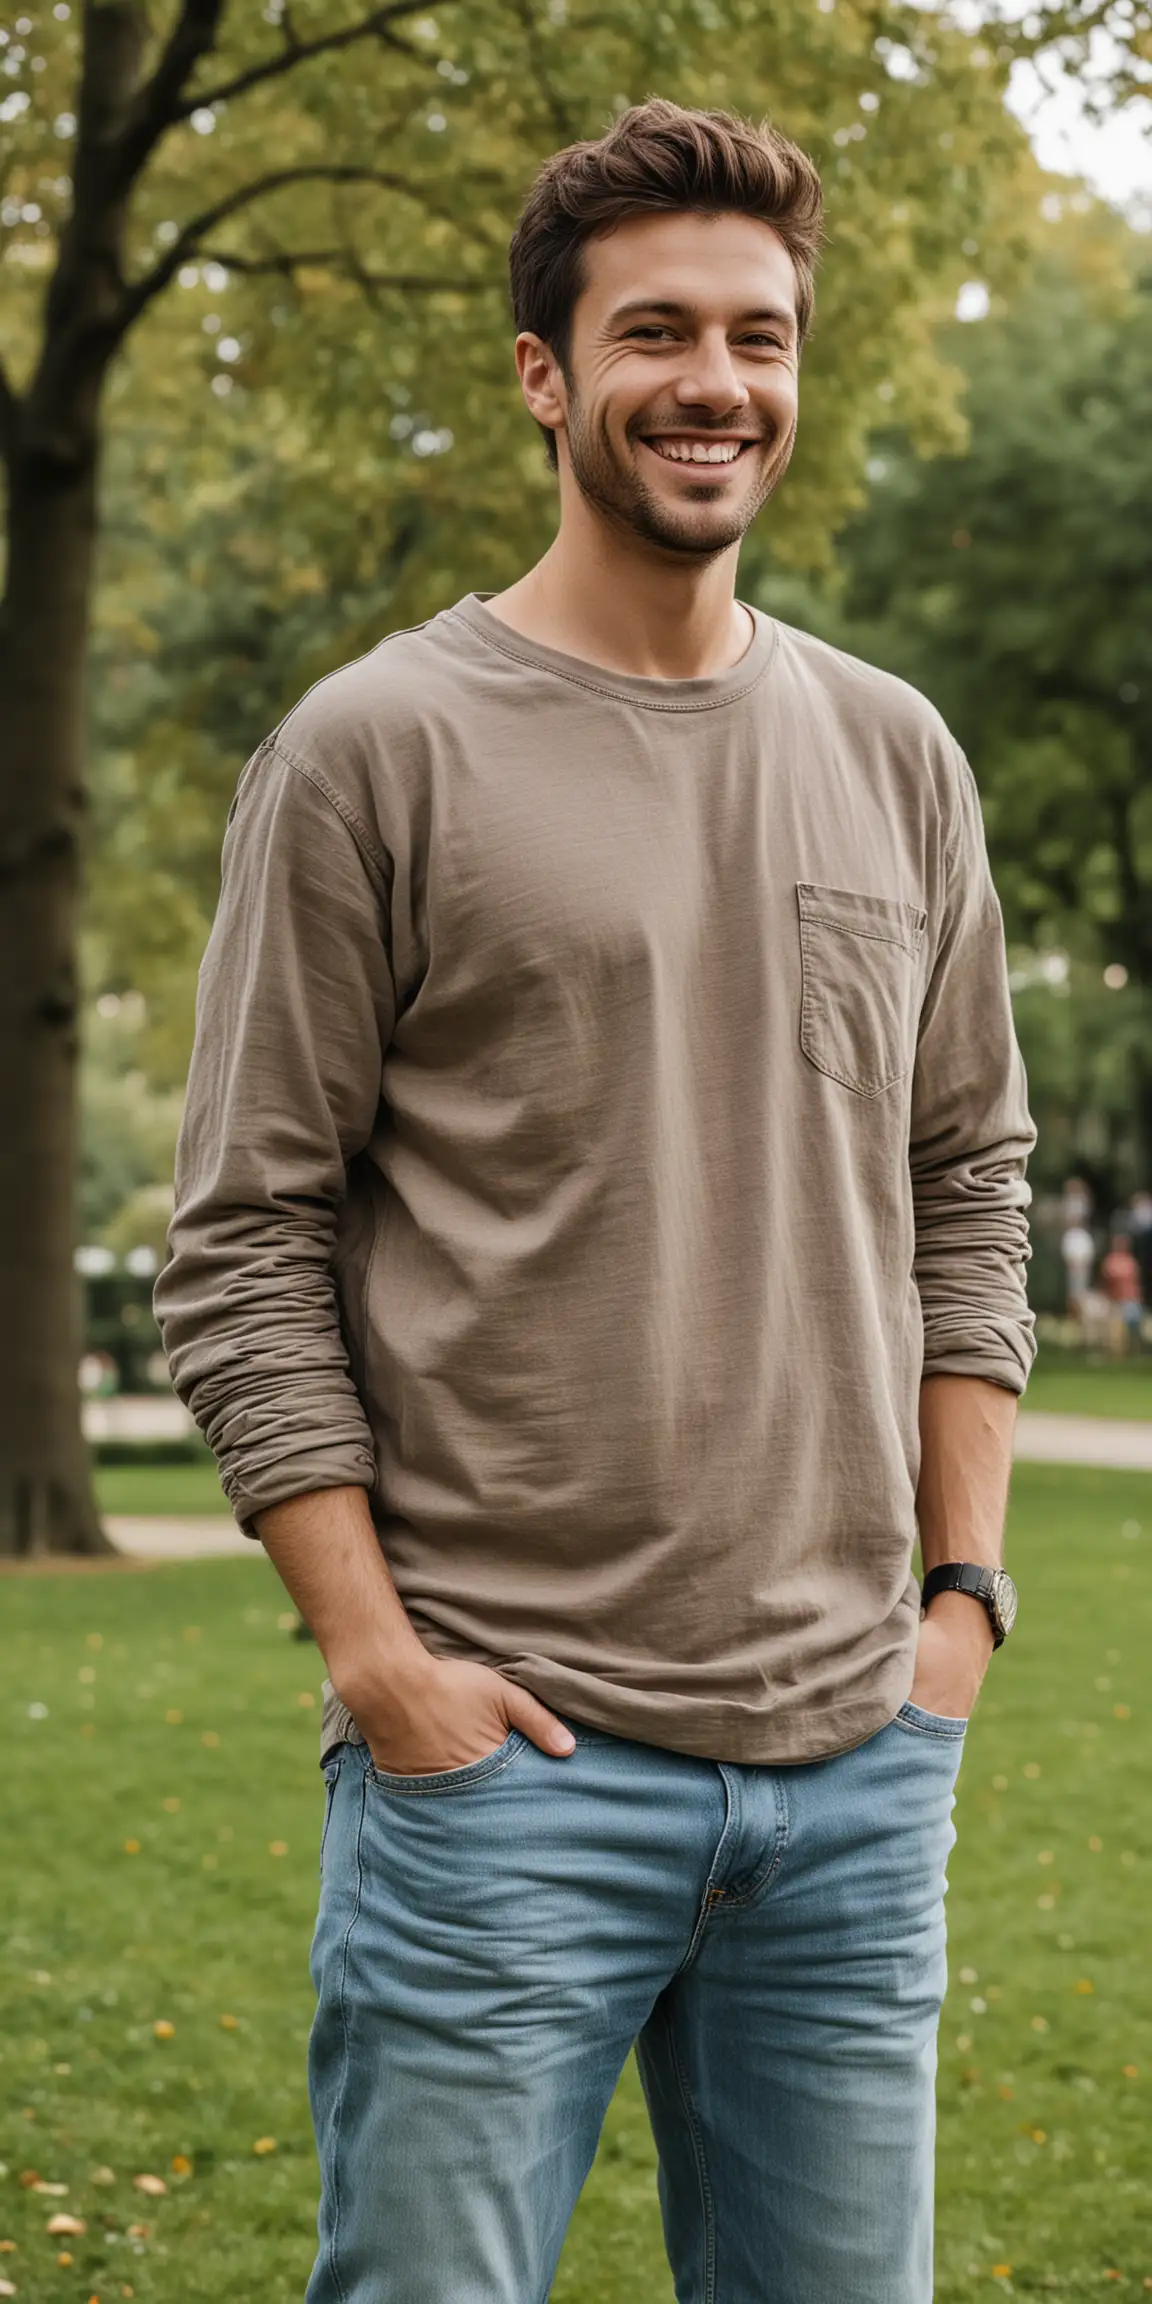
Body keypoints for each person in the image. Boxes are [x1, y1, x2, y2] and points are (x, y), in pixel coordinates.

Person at [155, 101, 1036, 2304]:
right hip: (505, 1779)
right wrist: (376, 1661)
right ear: (547, 372)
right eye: (656, 333)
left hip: (857, 1774)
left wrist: (960, 1601)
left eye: (760, 336)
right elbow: (246, 1234)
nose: (715, 383)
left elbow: (969, 1180)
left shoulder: (897, 752)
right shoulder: (377, 749)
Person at [1100, 1230, 1143, 1356]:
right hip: (1116, 1303)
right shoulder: (1110, 1262)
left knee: (1134, 1333)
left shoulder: (1131, 1262)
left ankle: (1135, 1353)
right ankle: (1118, 1355)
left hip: (1132, 1302)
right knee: (1117, 1336)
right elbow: (1107, 1284)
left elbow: (1135, 1284)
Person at [1061, 1217, 1096, 1322]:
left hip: (1083, 1268)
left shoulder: (1085, 1236)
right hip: (1072, 1269)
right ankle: (1072, 1317)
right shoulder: (1069, 1235)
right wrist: (1072, 1263)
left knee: (1082, 1294)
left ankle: (1082, 1318)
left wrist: (1083, 1263)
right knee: (1072, 1294)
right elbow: (1066, 1251)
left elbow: (1089, 1252)